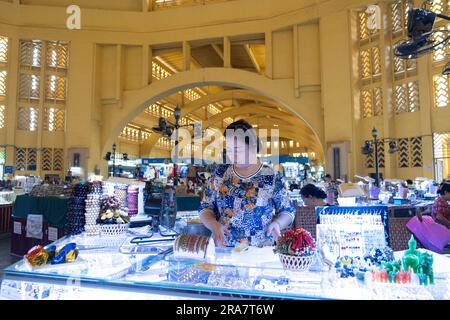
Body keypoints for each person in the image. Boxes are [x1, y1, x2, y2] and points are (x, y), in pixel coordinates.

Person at [199, 120, 295, 248]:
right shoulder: (220, 174)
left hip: (260, 252)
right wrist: (214, 225)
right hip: (224, 249)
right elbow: (205, 207)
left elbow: (287, 210)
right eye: (228, 149)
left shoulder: (271, 176)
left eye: (237, 149)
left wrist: (277, 224)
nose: (232, 155)